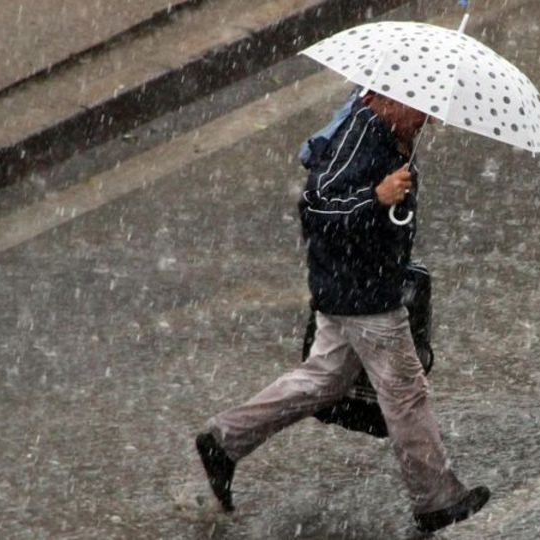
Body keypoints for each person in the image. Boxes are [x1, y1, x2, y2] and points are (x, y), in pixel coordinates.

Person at [194, 90, 490, 533]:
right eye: (421, 107)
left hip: (354, 284)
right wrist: (377, 196)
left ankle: (225, 439)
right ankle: (436, 498)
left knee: (324, 378)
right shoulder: (359, 135)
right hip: (361, 292)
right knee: (406, 391)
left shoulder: (384, 131)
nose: (428, 119)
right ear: (385, 97)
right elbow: (315, 207)